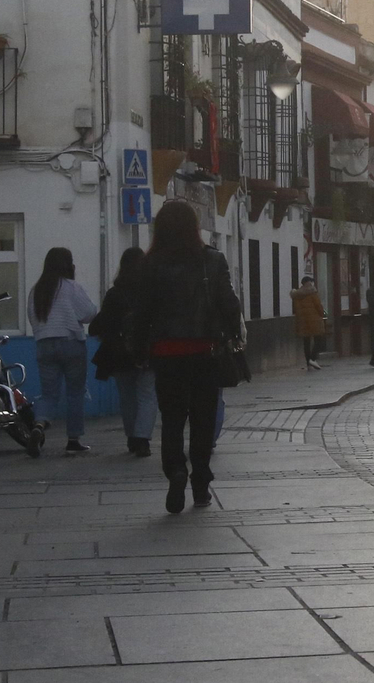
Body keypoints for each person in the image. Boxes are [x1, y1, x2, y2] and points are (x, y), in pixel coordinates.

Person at [133, 201, 241, 514]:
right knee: (203, 420)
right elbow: (228, 303)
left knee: (172, 418)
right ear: (194, 227)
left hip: (166, 354)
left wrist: (140, 349)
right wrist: (233, 334)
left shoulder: (150, 264)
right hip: (204, 352)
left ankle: (176, 471)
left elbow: (141, 313)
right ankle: (201, 483)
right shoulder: (212, 260)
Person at [28, 246, 98, 453]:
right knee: (75, 393)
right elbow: (89, 313)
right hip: (71, 344)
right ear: (68, 264)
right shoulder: (71, 287)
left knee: (48, 394)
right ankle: (73, 441)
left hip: (44, 345)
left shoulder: (36, 290)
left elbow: (33, 318)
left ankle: (39, 425)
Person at [89, 247, 153, 457]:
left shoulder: (114, 293)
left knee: (127, 398)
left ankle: (132, 439)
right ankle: (143, 439)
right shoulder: (150, 292)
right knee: (147, 396)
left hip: (120, 354)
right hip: (147, 351)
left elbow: (102, 324)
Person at [291, 276, 325, 370]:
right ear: (309, 282)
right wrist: (323, 313)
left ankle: (308, 364)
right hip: (314, 320)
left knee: (306, 342)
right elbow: (318, 306)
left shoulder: (297, 295)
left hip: (302, 321)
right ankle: (313, 359)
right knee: (318, 339)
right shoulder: (312, 293)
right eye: (311, 282)